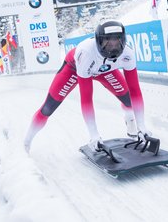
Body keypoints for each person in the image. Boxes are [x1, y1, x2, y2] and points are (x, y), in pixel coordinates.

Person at [23, 21, 151, 153]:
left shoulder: (127, 53)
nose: (112, 48)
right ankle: (26, 142)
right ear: (98, 42)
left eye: (117, 42)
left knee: (129, 99)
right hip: (74, 69)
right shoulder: (86, 53)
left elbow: (135, 89)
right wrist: (94, 135)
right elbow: (86, 99)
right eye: (108, 43)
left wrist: (142, 126)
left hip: (105, 70)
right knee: (48, 107)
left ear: (123, 41)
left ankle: (130, 119)